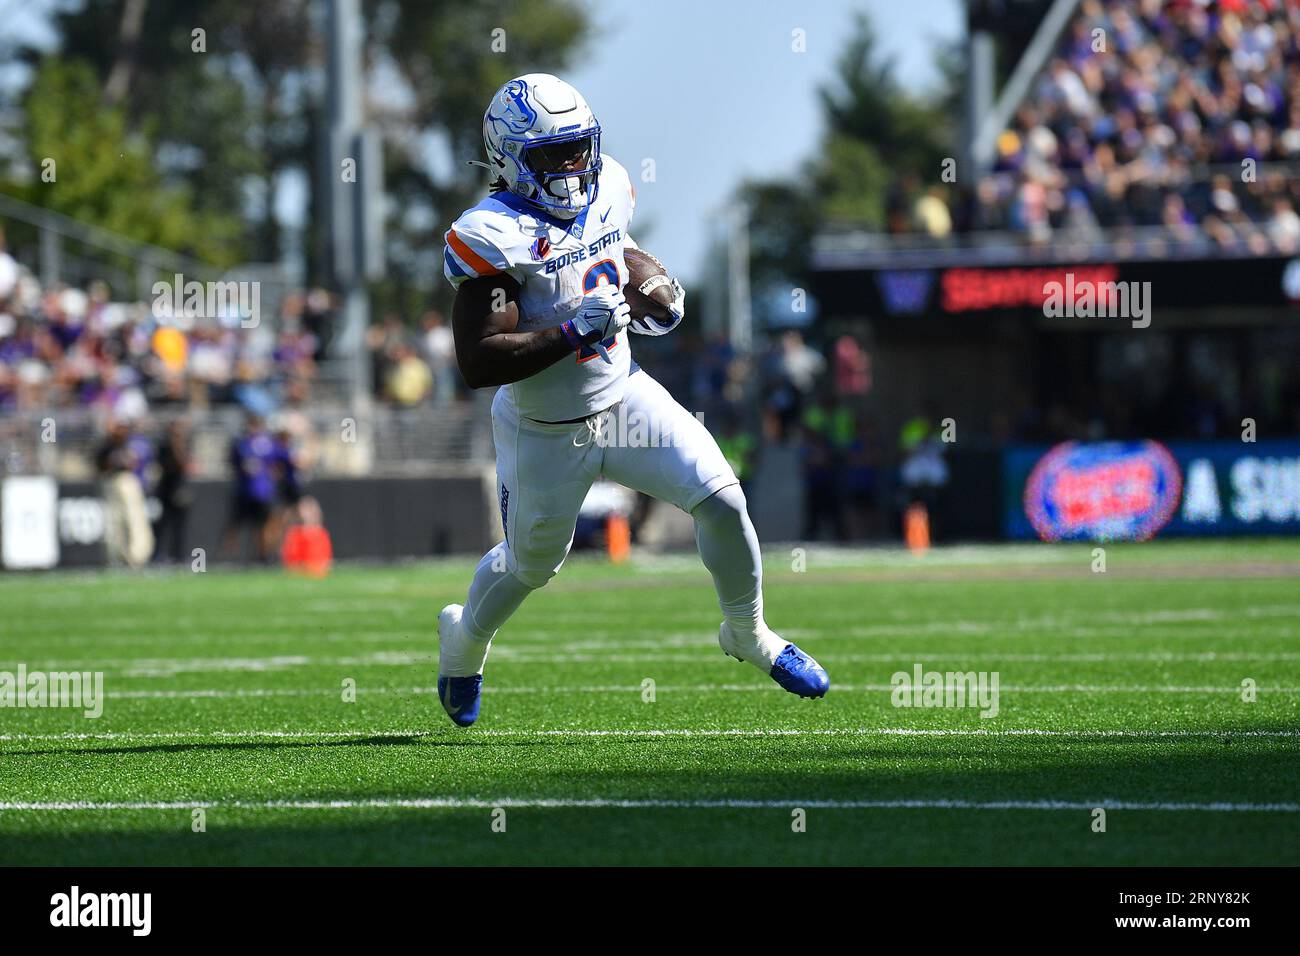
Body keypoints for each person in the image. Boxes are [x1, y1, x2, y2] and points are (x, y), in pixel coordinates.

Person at [434, 74, 828, 727]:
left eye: (577, 148)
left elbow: (616, 251)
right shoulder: (492, 234)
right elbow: (479, 360)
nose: (572, 168)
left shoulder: (610, 184)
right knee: (530, 568)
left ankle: (748, 632)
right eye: (551, 155)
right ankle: (466, 641)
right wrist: (570, 330)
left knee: (724, 499)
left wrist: (658, 285)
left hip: (624, 401)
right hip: (545, 429)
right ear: (510, 158)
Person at [96, 420, 154, 567]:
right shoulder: (106, 447)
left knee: (135, 519)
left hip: (128, 481)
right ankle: (117, 557)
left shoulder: (133, 444)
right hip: (111, 481)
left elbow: (137, 464)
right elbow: (100, 465)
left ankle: (138, 557)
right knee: (114, 521)